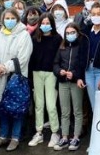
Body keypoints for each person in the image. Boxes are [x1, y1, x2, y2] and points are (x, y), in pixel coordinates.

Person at [0, 9, 33, 151]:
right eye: (7, 18)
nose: (9, 21)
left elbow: (23, 58)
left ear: (18, 19)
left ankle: (15, 137)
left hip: (16, 77)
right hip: (0, 75)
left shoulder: (24, 35)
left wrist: (5, 68)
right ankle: (3, 136)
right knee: (2, 108)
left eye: (12, 18)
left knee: (17, 108)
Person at [27, 13, 63, 148]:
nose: (45, 25)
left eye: (48, 23)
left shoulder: (57, 38)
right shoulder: (34, 37)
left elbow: (60, 57)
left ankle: (55, 132)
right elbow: (30, 57)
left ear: (52, 24)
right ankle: (39, 132)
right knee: (39, 104)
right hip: (36, 72)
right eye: (43, 23)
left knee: (51, 105)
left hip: (51, 74)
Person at [54, 24, 88, 151]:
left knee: (77, 111)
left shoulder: (81, 46)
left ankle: (76, 137)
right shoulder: (62, 47)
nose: (70, 35)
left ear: (77, 33)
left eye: (72, 32)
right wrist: (59, 71)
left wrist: (74, 74)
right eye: (67, 33)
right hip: (63, 82)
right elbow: (55, 63)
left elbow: (82, 64)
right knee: (65, 111)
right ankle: (64, 137)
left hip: (76, 82)